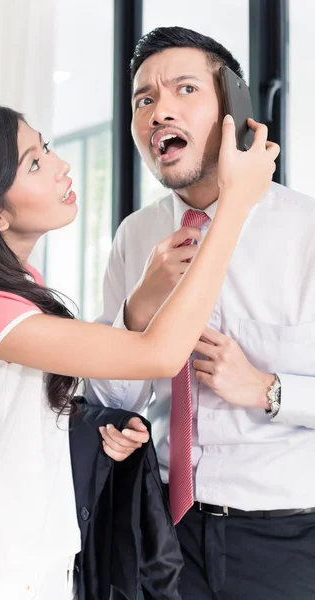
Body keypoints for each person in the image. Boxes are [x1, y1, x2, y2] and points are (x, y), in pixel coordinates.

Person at [0, 105, 275, 600]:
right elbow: (160, 355)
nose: (60, 164)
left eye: (45, 147)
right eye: (34, 164)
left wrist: (143, 301)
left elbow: (28, 414)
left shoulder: (14, 287)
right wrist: (234, 207)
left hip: (37, 567)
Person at [86, 25, 315, 600]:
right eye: (144, 99)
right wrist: (137, 313)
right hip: (164, 531)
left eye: (184, 89)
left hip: (288, 534)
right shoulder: (136, 237)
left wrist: (268, 389)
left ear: (233, 111)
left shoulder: (306, 232)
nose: (160, 111)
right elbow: (109, 400)